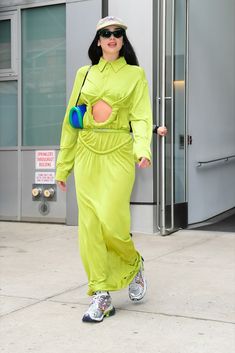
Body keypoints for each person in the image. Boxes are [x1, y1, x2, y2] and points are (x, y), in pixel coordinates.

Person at [56, 16, 167, 323]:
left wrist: (142, 148)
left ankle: (133, 264)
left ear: (122, 40)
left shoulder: (135, 74)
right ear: (98, 40)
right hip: (87, 152)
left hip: (118, 152)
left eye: (117, 33)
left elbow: (142, 116)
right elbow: (70, 119)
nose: (112, 37)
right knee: (90, 228)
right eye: (106, 33)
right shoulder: (85, 73)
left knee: (112, 221)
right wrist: (63, 166)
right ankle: (101, 294)